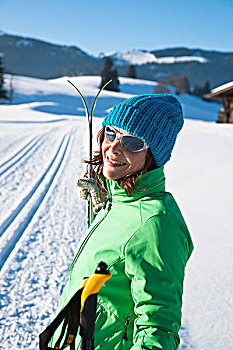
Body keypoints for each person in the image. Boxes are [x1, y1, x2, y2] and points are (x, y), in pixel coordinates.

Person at [50, 94, 193, 349]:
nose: (114, 148)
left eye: (132, 142)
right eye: (111, 133)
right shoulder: (120, 200)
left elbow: (158, 330)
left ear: (153, 154)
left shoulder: (156, 223)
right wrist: (103, 201)